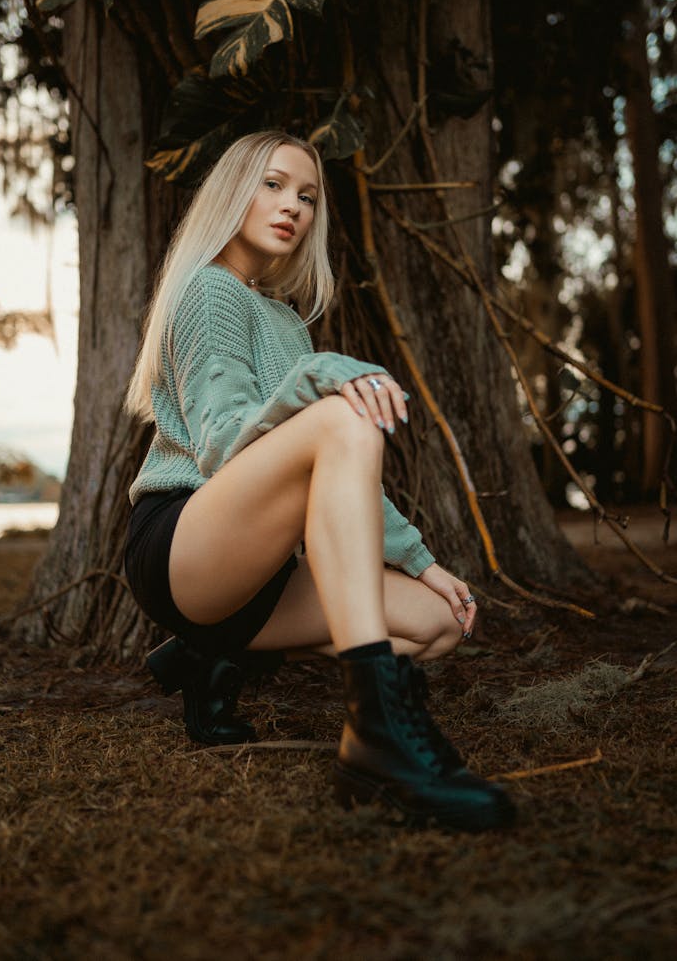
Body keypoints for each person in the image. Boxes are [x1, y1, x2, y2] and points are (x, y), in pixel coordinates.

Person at [123, 130, 515, 832]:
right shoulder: (209, 290)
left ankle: (211, 652)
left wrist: (421, 563)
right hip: (186, 542)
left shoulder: (284, 319)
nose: (292, 206)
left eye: (306, 195)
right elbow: (221, 446)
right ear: (233, 192)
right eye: (273, 185)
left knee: (437, 623)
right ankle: (378, 739)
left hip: (257, 575)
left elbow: (342, 478)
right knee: (343, 418)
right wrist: (320, 380)